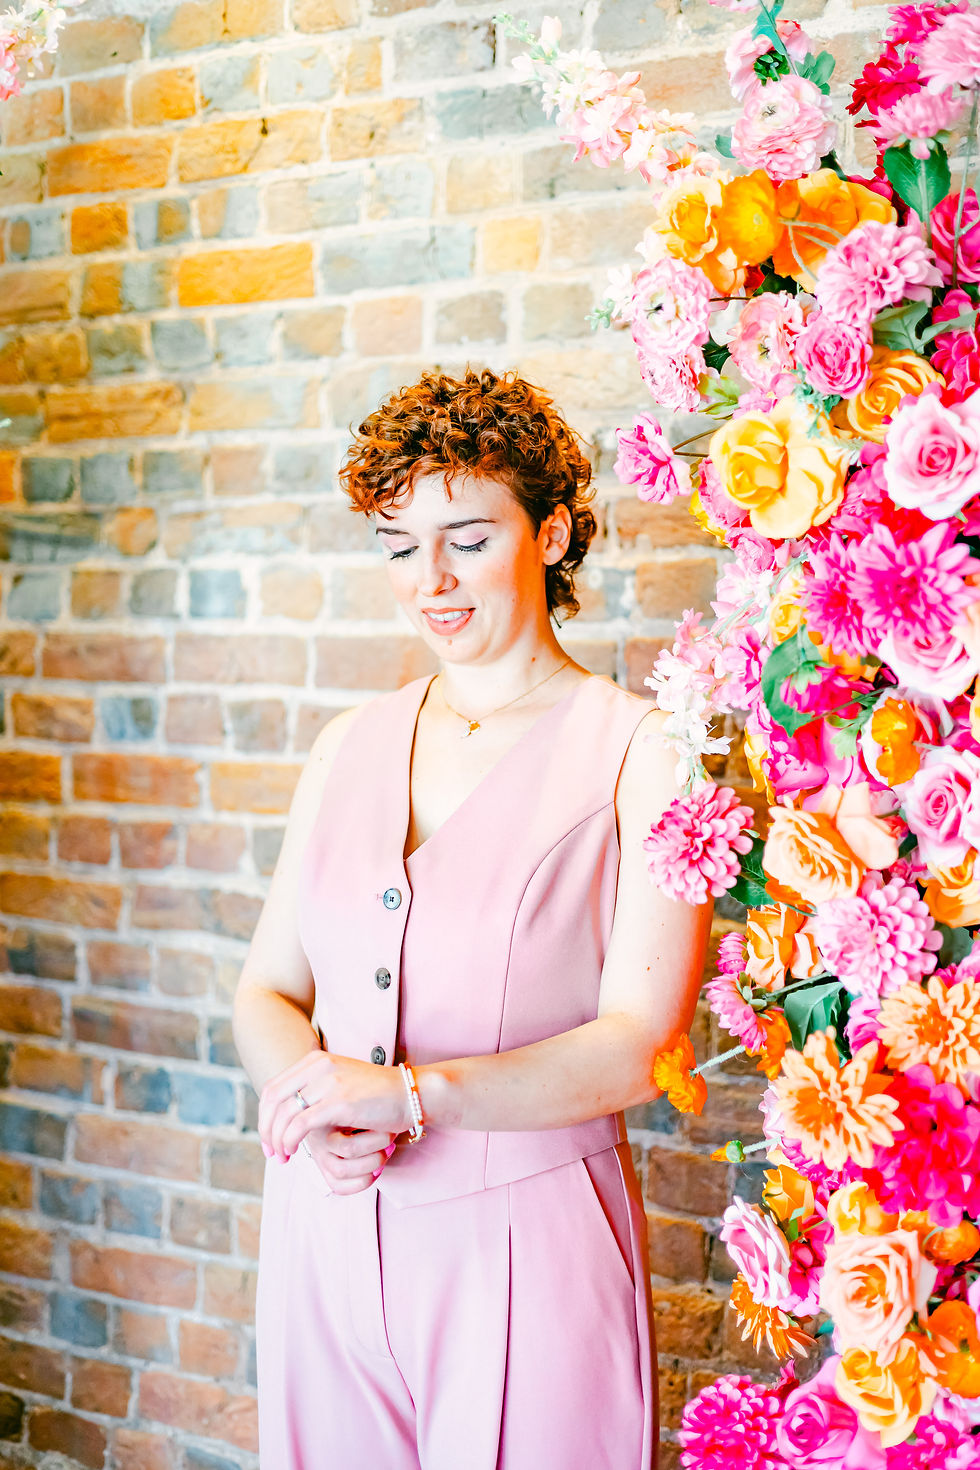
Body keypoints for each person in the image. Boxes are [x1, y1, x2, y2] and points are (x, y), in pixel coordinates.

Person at [233, 368, 710, 1469]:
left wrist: (404, 1096)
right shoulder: (344, 745)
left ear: (548, 534)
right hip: (323, 1230)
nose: (429, 581)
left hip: (526, 1247)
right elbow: (268, 989)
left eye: (466, 538)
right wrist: (311, 1105)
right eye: (400, 546)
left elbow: (644, 1044)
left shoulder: (645, 752)